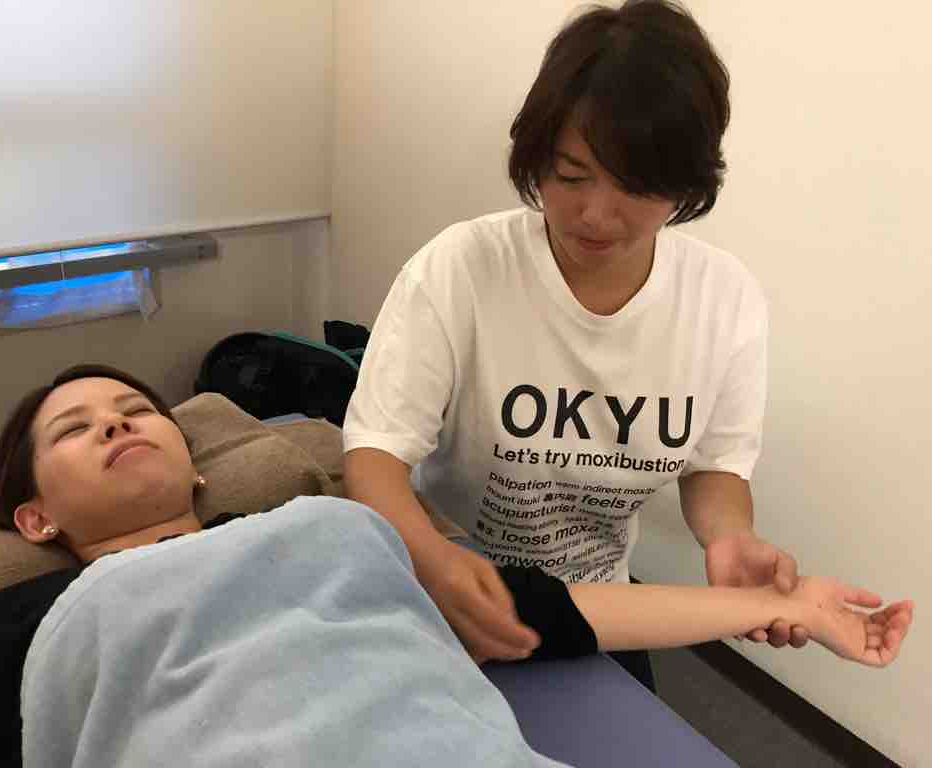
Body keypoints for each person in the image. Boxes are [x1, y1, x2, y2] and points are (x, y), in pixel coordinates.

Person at [0, 365, 913, 768]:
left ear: (196, 467)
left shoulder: (320, 530)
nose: (117, 424)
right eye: (75, 429)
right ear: (34, 516)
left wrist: (783, 606)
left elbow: (555, 612)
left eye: (136, 410)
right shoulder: (1, 627)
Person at [342, 0, 814, 688]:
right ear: (536, 157)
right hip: (444, 587)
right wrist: (432, 559)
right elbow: (374, 455)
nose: (595, 214)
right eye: (570, 176)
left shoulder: (723, 298)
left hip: (597, 606)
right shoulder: (460, 269)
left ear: (686, 185)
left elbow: (715, 468)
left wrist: (729, 537)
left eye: (637, 188)